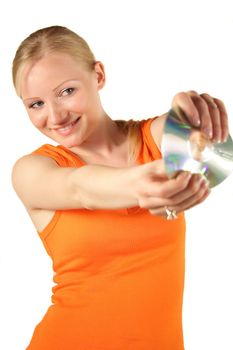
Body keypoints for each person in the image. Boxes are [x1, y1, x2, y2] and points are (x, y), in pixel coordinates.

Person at [11, 25, 229, 350]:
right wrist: (138, 183)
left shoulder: (152, 141)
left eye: (67, 91)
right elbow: (78, 188)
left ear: (98, 75)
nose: (55, 116)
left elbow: (218, 157)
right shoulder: (32, 170)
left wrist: (193, 112)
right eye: (36, 104)